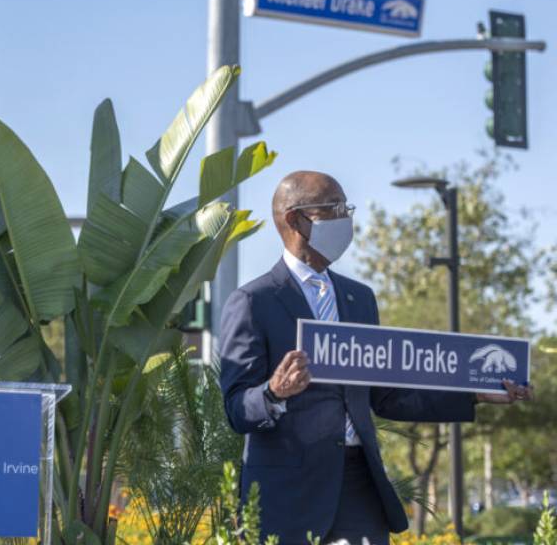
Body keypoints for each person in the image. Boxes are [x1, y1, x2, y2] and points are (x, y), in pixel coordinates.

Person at [218, 170, 532, 545]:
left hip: (359, 484)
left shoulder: (360, 299)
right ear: (295, 220)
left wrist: (474, 393)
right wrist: (273, 392)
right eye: (334, 208)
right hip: (290, 492)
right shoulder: (253, 302)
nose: (346, 218)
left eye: (346, 208)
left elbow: (387, 396)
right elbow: (236, 408)